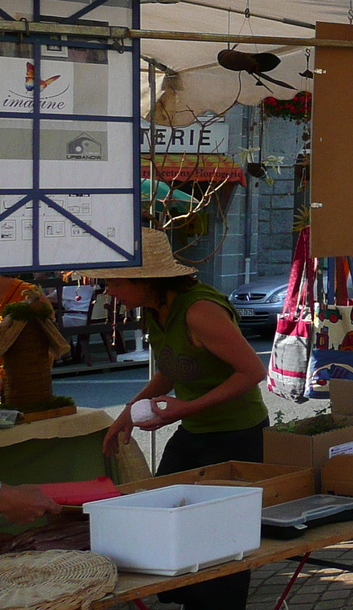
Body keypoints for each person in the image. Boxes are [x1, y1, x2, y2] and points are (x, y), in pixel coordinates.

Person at [98, 229, 269, 610]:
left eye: (115, 281)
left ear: (147, 279)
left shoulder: (199, 311)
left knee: (221, 540)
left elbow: (252, 372)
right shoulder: (156, 311)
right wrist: (129, 409)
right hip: (195, 432)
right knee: (163, 511)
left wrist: (181, 409)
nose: (109, 290)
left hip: (237, 436)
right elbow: (173, 368)